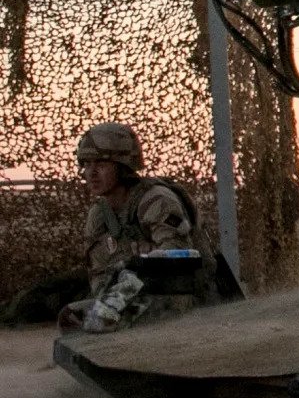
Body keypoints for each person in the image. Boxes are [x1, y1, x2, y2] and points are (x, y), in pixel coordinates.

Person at [57, 122, 210, 332]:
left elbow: (178, 260)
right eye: (86, 164)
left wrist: (127, 285)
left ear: (123, 167)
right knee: (71, 317)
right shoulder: (99, 214)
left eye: (101, 164)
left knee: (103, 319)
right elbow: (99, 274)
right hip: (129, 298)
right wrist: (109, 301)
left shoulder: (156, 200)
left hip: (181, 298)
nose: (91, 172)